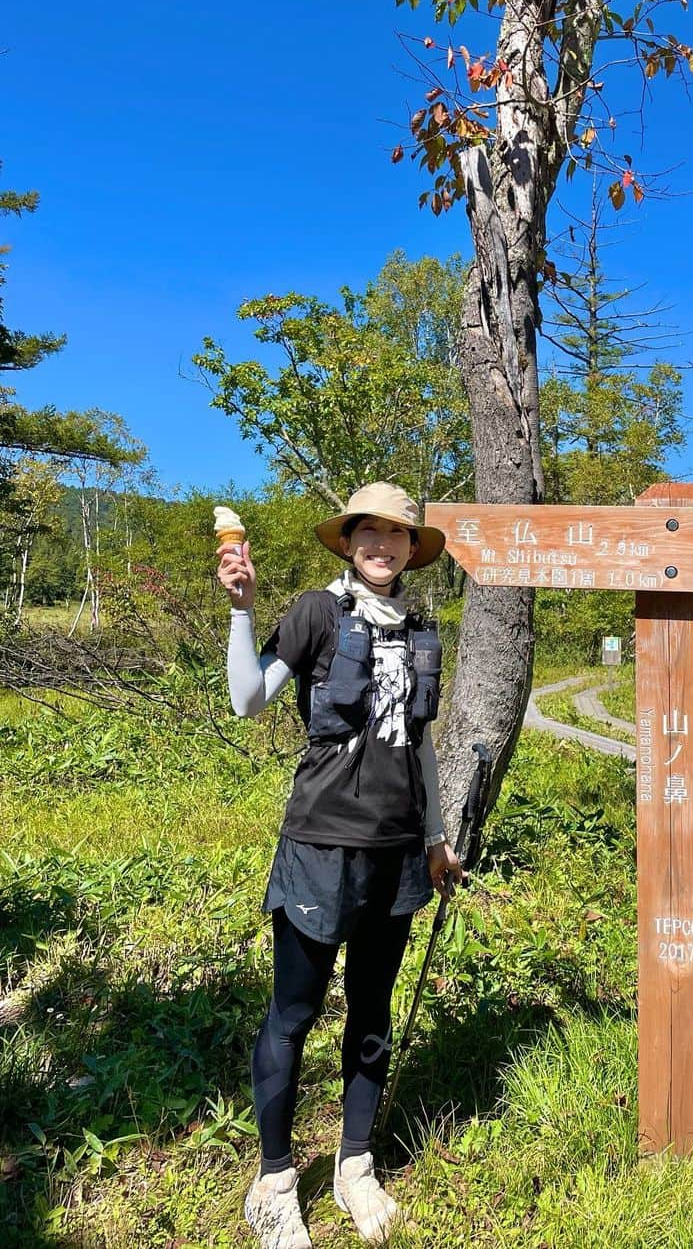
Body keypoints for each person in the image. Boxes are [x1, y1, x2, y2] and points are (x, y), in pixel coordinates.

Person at [217, 482, 461, 1249]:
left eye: (397, 535)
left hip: (395, 852)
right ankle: (276, 1179)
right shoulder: (317, 613)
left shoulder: (421, 628)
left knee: (372, 1011)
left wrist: (436, 833)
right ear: (348, 540)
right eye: (369, 533)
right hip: (321, 843)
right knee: (294, 1012)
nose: (382, 546)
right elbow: (248, 700)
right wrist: (242, 609)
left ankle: (356, 1165)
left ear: (412, 549)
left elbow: (418, 743)